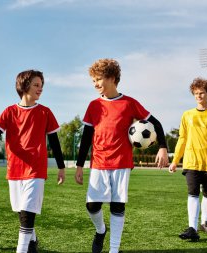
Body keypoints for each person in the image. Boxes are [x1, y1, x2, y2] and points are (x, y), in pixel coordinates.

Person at [74, 58, 169, 253]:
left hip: (121, 162)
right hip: (99, 162)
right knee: (92, 205)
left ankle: (114, 249)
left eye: (98, 79)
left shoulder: (129, 103)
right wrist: (79, 165)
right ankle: (101, 230)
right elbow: (86, 138)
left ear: (111, 78)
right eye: (93, 81)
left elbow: (156, 123)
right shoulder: (94, 105)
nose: (95, 84)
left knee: (117, 206)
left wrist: (163, 147)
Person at [0, 69, 66, 253]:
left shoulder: (45, 112)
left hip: (36, 169)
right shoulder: (10, 111)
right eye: (36, 85)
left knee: (27, 212)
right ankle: (32, 240)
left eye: (41, 85)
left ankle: (22, 249)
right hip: (15, 169)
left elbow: (55, 142)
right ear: (24, 86)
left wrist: (61, 167)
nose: (40, 89)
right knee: (20, 210)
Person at [169, 78, 207, 242]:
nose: (199, 96)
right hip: (191, 161)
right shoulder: (187, 115)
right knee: (192, 193)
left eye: (202, 93)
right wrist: (175, 160)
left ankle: (205, 222)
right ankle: (192, 227)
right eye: (196, 93)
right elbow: (182, 138)